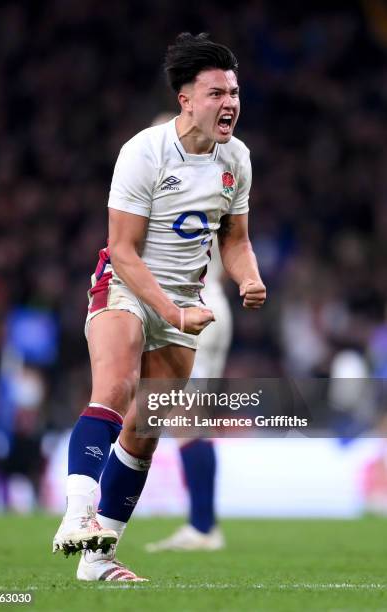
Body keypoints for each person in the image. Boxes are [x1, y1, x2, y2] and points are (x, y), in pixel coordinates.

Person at [53, 32, 266, 582]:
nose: (230, 103)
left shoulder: (236, 158)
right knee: (118, 388)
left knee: (145, 430)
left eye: (235, 92)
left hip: (186, 303)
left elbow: (234, 239)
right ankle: (76, 514)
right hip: (126, 286)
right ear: (186, 99)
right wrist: (170, 313)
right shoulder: (143, 151)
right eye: (217, 92)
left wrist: (249, 278)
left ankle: (98, 560)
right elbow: (122, 250)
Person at [145, 237, 232, 552]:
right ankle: (205, 524)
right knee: (194, 422)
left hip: (191, 309)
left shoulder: (178, 197)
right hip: (210, 301)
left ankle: (202, 527)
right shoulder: (221, 200)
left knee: (185, 419)